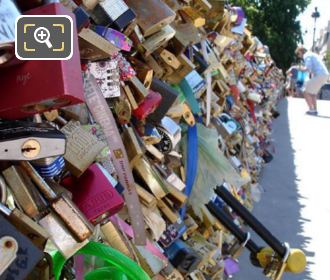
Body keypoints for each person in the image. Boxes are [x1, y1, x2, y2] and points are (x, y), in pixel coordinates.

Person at [295, 46, 329, 115]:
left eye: (298, 54)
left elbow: (308, 68)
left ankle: (311, 109)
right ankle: (315, 109)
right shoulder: (312, 54)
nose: (299, 56)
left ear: (301, 51)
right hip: (324, 75)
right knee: (312, 93)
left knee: (305, 90)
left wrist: (300, 69)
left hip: (320, 74)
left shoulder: (306, 55)